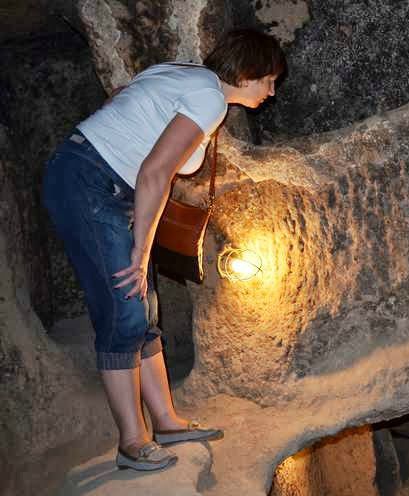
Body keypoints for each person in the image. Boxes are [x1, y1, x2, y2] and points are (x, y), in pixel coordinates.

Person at [42, 29, 286, 471]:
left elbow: (124, 98)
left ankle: (167, 422)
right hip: (87, 183)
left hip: (100, 181)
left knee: (145, 308)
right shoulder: (209, 99)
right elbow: (156, 172)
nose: (271, 91)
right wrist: (139, 250)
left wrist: (127, 189)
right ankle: (132, 441)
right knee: (125, 310)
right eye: (268, 79)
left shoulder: (187, 76)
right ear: (247, 72)